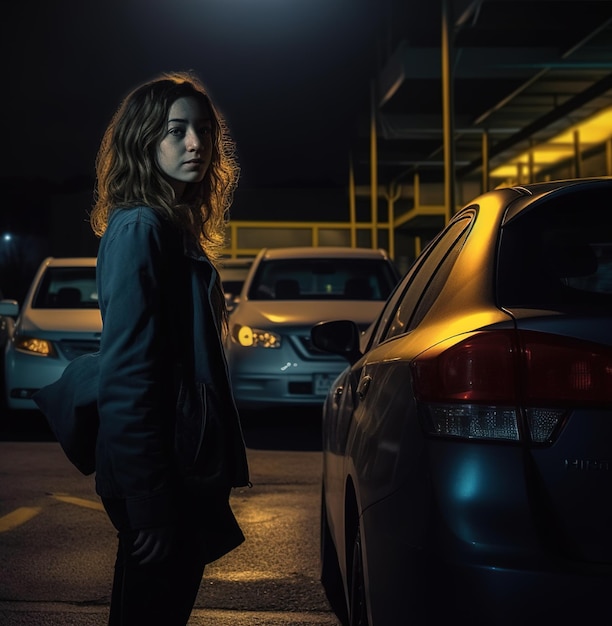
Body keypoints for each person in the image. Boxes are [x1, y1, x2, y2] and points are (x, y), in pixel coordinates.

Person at [89, 71, 250, 626]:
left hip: (177, 466)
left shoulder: (167, 226)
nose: (196, 145)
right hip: (160, 475)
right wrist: (149, 502)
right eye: (176, 130)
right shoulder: (140, 229)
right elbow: (130, 376)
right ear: (143, 140)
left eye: (204, 131)